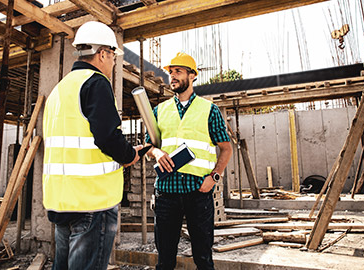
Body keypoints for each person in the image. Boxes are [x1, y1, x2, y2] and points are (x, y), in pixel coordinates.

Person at [42, 21, 141, 270]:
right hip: (91, 203)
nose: (114, 63)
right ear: (103, 53)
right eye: (113, 57)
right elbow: (107, 137)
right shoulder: (95, 83)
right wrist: (130, 155)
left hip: (61, 201)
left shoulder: (59, 90)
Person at [146, 52, 233, 270]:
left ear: (192, 76)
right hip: (166, 192)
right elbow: (148, 145)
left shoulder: (209, 110)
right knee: (165, 260)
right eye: (170, 72)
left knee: (203, 259)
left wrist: (214, 177)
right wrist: (156, 153)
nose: (172, 76)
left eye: (178, 71)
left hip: (199, 193)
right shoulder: (159, 111)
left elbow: (226, 148)